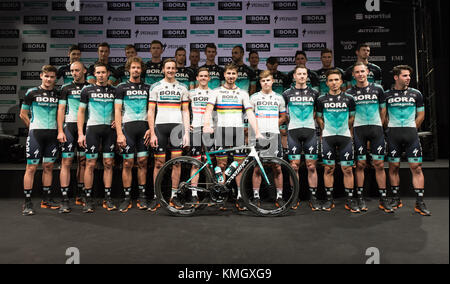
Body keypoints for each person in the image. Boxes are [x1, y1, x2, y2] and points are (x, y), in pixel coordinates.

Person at [203, 63, 263, 211]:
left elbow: (250, 114)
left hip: (238, 131)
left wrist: (258, 131)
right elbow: (208, 110)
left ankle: (240, 197)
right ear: (224, 75)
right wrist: (206, 125)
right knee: (221, 165)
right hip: (221, 131)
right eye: (228, 73)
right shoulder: (216, 92)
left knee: (239, 167)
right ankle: (221, 195)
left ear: (237, 76)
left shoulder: (243, 93)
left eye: (233, 74)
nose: (231, 76)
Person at [345, 62, 393, 213]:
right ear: (353, 75)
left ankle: (383, 198)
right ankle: (360, 197)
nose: (360, 74)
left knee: (379, 164)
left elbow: (383, 109)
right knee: (360, 164)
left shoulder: (378, 89)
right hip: (359, 129)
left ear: (367, 72)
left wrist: (380, 124)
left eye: (362, 71)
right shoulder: (349, 93)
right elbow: (349, 115)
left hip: (376, 128)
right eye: (357, 72)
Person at [384, 65, 431, 216]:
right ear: (396, 77)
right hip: (393, 134)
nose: (408, 78)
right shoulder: (386, 94)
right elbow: (383, 116)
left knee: (416, 167)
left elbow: (421, 115)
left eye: (409, 76)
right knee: (393, 167)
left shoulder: (416, 94)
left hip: (411, 133)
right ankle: (396, 198)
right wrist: (389, 128)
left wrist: (412, 128)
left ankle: (420, 201)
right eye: (405, 75)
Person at [148, 59, 191, 210]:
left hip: (177, 129)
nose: (171, 70)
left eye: (173, 68)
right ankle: (157, 196)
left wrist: (186, 133)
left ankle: (174, 196)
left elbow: (185, 111)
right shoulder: (155, 87)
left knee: (177, 163)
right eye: (168, 68)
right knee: (158, 164)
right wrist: (152, 133)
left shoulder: (183, 88)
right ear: (163, 70)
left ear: (176, 70)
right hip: (160, 128)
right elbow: (151, 111)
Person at [20, 65, 60, 216]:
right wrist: (33, 127)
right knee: (31, 167)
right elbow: (23, 114)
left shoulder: (57, 93)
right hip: (36, 134)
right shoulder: (32, 92)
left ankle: (46, 199)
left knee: (48, 166)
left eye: (52, 77)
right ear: (41, 76)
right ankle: (27, 202)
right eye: (46, 76)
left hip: (53, 134)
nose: (49, 79)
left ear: (55, 78)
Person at [316, 69, 358, 213]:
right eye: (331, 80)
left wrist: (346, 127)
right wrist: (324, 128)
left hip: (345, 136)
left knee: (347, 169)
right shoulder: (321, 99)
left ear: (341, 82)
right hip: (328, 137)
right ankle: (329, 199)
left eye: (336, 80)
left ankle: (350, 200)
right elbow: (319, 117)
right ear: (327, 83)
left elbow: (352, 117)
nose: (334, 83)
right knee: (329, 168)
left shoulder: (349, 99)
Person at [77, 62, 117, 213]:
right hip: (92, 129)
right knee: (90, 164)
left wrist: (117, 120)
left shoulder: (115, 90)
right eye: (98, 73)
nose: (100, 75)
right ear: (94, 74)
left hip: (109, 130)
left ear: (108, 74)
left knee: (108, 163)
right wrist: (80, 134)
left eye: (103, 72)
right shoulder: (87, 90)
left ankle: (108, 198)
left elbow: (121, 109)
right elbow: (81, 112)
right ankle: (88, 198)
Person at [114, 57, 152, 213]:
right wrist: (119, 133)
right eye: (133, 67)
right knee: (128, 163)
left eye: (138, 68)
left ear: (141, 70)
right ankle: (127, 197)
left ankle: (143, 197)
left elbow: (151, 111)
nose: (136, 70)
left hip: (144, 128)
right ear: (128, 69)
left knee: (143, 162)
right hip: (127, 128)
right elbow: (117, 111)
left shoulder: (148, 87)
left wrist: (151, 128)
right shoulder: (121, 87)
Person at [282, 66, 320, 211]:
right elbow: (283, 114)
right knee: (294, 166)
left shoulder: (315, 93)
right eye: (299, 74)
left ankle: (313, 198)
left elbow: (318, 112)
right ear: (294, 76)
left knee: (311, 166)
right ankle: (294, 196)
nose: (302, 76)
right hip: (293, 131)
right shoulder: (286, 94)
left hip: (310, 131)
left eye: (304, 74)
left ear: (307, 76)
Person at [250, 70, 287, 207]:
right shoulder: (253, 98)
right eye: (263, 81)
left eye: (268, 80)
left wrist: (273, 123)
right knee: (258, 167)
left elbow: (283, 116)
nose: (266, 83)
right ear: (260, 83)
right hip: (258, 135)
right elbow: (250, 116)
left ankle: (280, 196)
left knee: (277, 167)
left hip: (274, 134)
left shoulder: (279, 98)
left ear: (272, 81)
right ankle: (255, 197)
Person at [57, 61, 89, 213]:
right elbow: (61, 109)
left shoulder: (90, 87)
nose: (74, 73)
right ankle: (64, 199)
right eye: (72, 71)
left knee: (83, 161)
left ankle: (80, 193)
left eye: (77, 70)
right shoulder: (65, 87)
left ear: (84, 70)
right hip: (69, 127)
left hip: (85, 127)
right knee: (67, 161)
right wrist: (60, 130)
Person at [188, 67, 215, 205]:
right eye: (201, 76)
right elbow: (184, 110)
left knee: (209, 163)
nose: (203, 78)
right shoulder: (190, 93)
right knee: (195, 162)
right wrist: (186, 125)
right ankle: (194, 194)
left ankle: (210, 193)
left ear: (209, 78)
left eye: (206, 76)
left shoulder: (214, 93)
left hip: (209, 130)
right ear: (197, 78)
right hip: (196, 129)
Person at [266, 56, 291, 155]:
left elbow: (286, 94)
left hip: (280, 108)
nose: (272, 66)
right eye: (270, 64)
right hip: (266, 108)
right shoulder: (263, 77)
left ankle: (284, 153)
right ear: (266, 64)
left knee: (283, 131)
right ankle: (268, 152)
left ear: (277, 64)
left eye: (274, 64)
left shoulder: (283, 77)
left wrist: (286, 111)